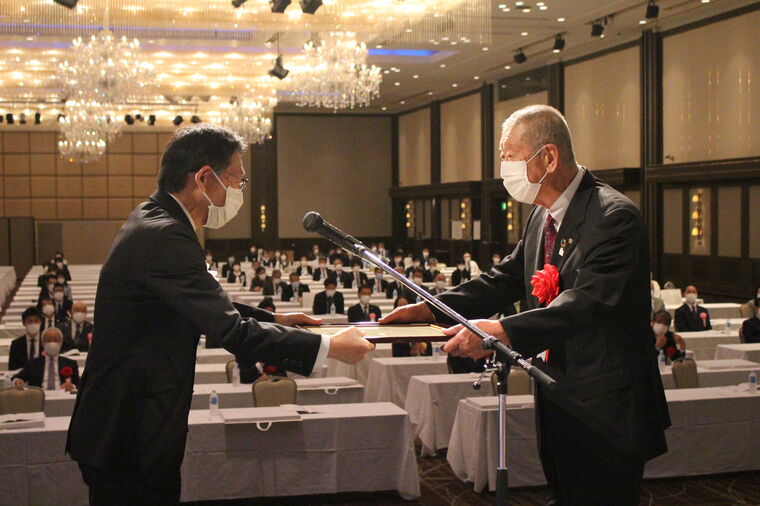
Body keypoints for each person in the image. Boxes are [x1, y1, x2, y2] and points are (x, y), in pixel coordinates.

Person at [66, 124, 373, 504]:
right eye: (237, 181)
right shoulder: (165, 234)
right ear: (203, 178)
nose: (239, 192)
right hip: (130, 426)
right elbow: (229, 331)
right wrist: (328, 347)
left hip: (128, 420)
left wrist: (275, 320)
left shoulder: (153, 218)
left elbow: (190, 305)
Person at [382, 105, 669, 505]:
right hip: (558, 392)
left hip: (608, 403)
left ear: (548, 157)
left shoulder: (613, 216)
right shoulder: (541, 215)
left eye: (509, 155)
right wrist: (431, 309)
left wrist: (502, 332)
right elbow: (505, 278)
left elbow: (585, 303)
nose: (504, 168)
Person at [13, 327, 79, 391]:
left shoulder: (70, 363)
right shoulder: (32, 364)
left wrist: (72, 386)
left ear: (61, 343)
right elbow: (17, 378)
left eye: (55, 340)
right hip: (39, 395)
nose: (52, 343)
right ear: (42, 343)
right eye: (49, 340)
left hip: (63, 395)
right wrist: (17, 381)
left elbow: (79, 384)